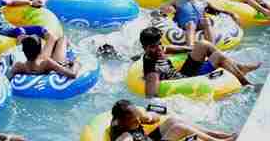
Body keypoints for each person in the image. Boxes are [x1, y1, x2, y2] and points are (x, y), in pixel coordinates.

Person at [140, 27, 260, 98]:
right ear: (145, 48)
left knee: (204, 44)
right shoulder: (152, 70)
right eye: (154, 46)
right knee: (218, 56)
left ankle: (238, 67)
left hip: (183, 73)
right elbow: (151, 96)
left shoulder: (157, 51)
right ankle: (247, 84)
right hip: (185, 81)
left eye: (159, 43)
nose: (160, 48)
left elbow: (171, 48)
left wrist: (196, 49)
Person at [110, 99, 238, 141]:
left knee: (173, 120)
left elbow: (155, 118)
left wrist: (149, 117)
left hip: (148, 139)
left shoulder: (132, 116)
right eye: (134, 121)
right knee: (178, 128)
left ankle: (214, 133)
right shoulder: (124, 136)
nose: (138, 122)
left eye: (137, 118)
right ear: (123, 122)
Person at [8, 35, 80, 79]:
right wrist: (75, 63)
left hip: (37, 60)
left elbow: (8, 78)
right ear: (40, 51)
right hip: (55, 62)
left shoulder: (19, 66)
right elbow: (72, 74)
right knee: (63, 39)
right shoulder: (47, 63)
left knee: (51, 38)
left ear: (23, 51)